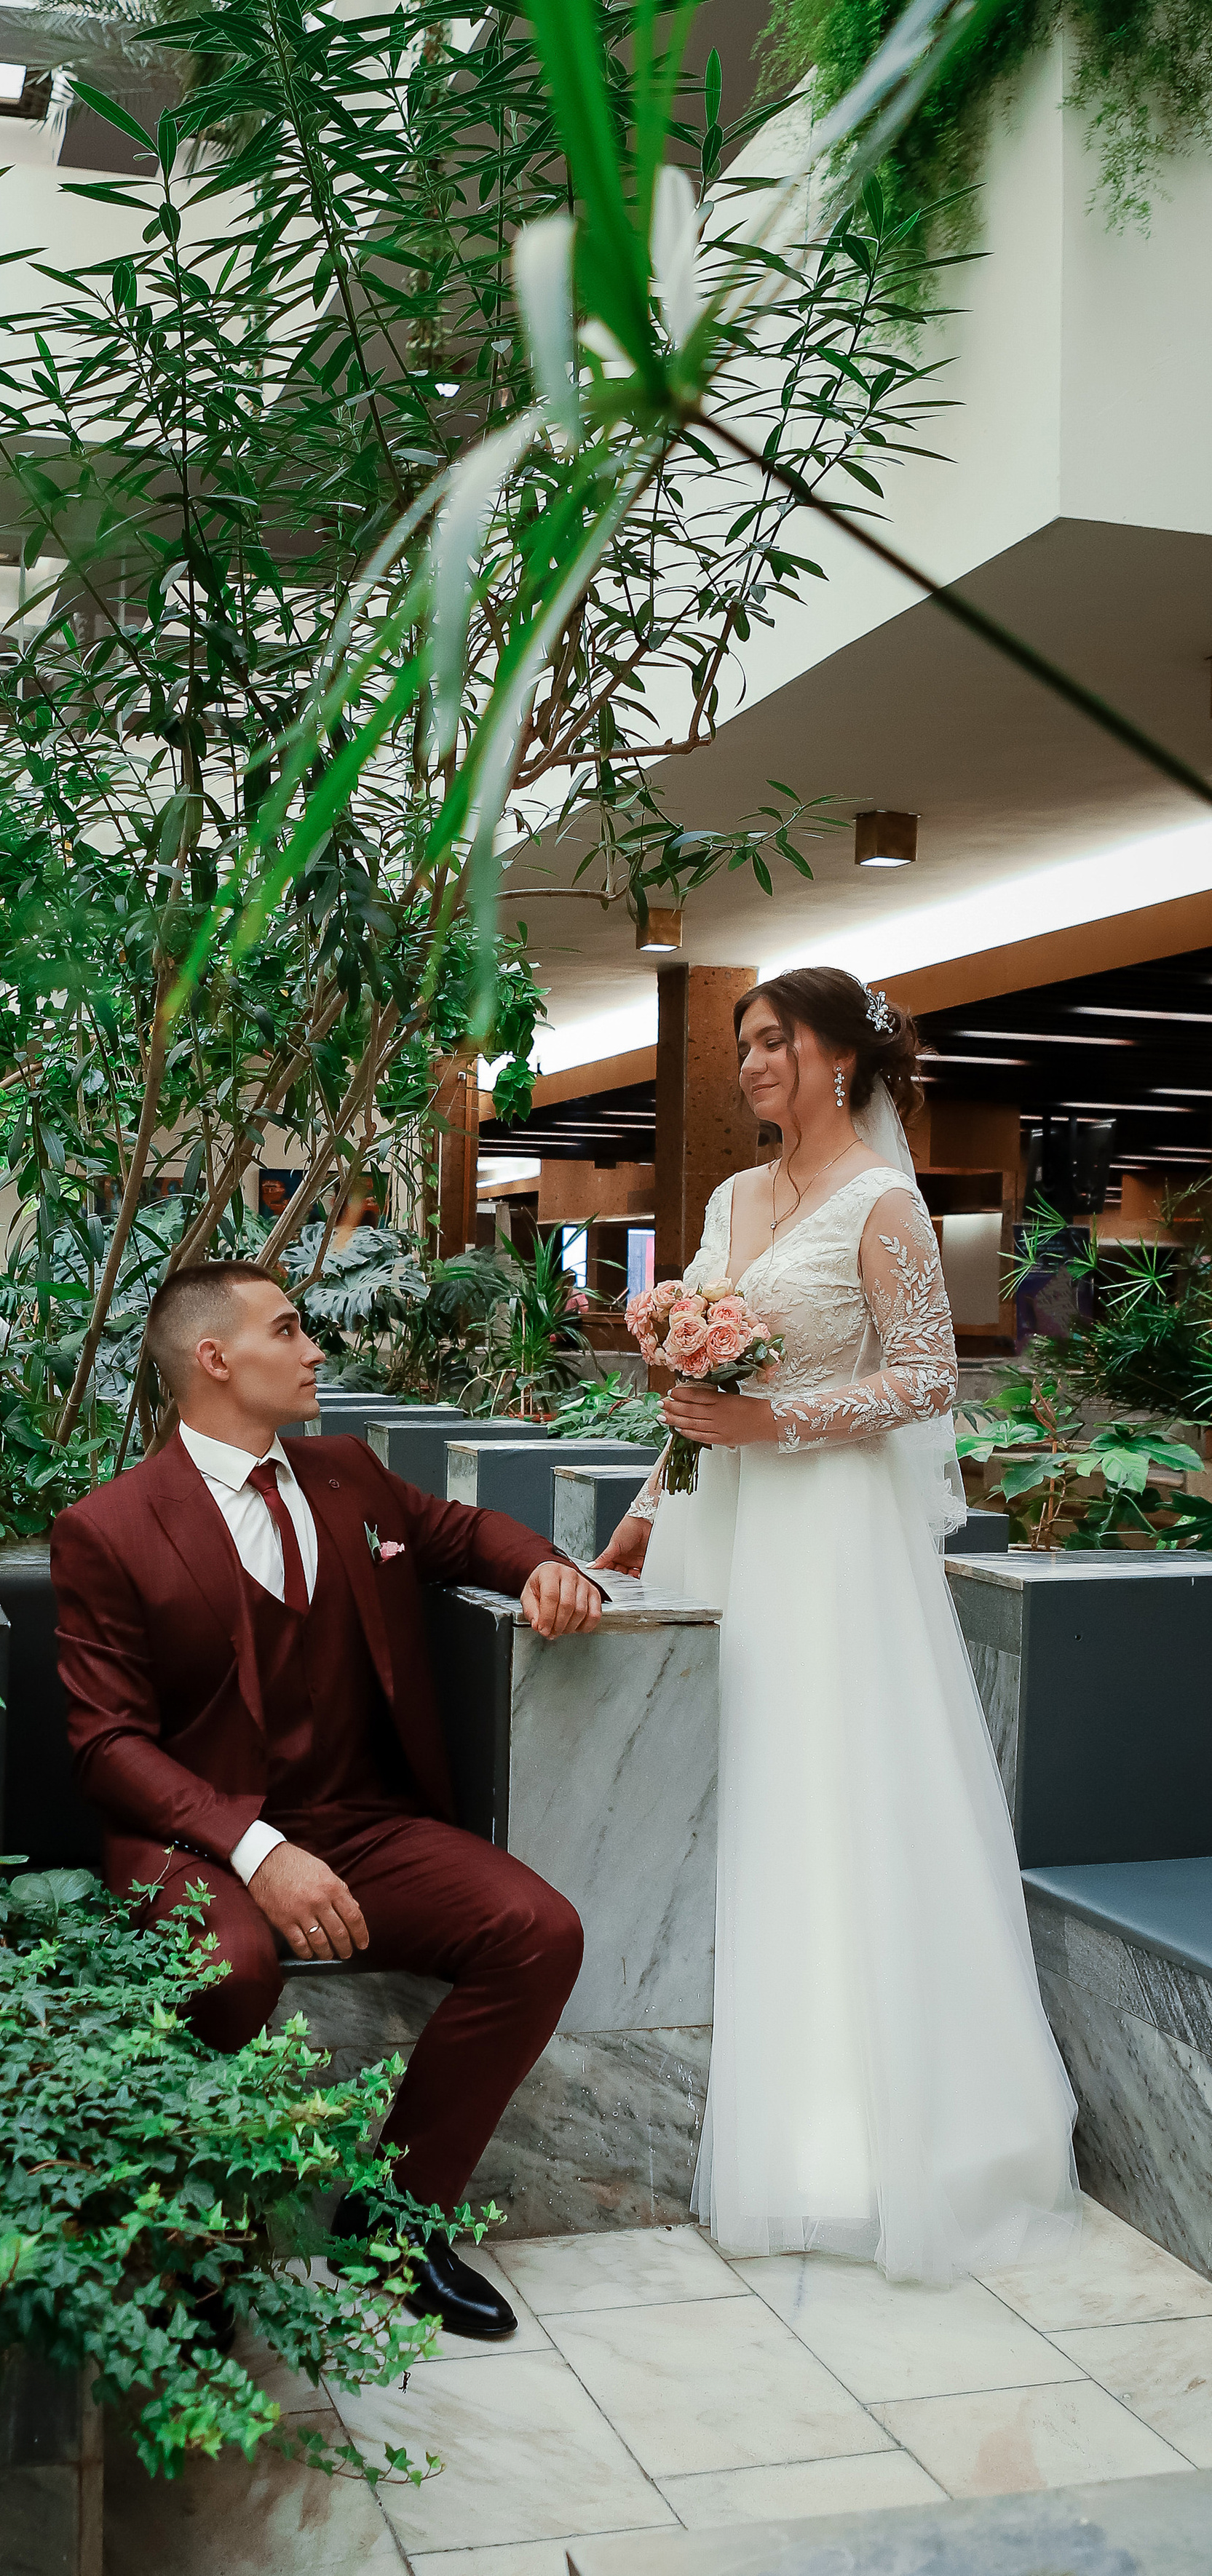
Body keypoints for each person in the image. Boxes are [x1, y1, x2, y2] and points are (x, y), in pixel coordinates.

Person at [595, 967, 1079, 2285]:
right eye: (743, 1042)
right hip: (724, 1517)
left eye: (771, 1041)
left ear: (841, 1060)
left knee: (828, 1797)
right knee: (732, 1784)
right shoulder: (732, 1199)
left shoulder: (886, 1202)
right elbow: (699, 1377)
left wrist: (772, 1423)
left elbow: (929, 1380)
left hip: (829, 1541)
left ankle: (848, 2138)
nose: (750, 1063)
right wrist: (650, 1502)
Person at [51, 1260, 606, 2338]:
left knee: (538, 1932)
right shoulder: (109, 1528)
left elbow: (458, 1534)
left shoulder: (348, 1473)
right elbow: (106, 1744)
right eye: (292, 1330)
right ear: (214, 1360)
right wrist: (255, 1852)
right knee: (234, 1963)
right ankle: (193, 2247)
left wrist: (543, 1565)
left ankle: (395, 2222)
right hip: (193, 1839)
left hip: (360, 1823)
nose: (317, 1351)